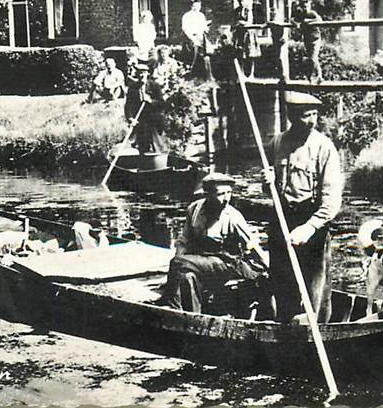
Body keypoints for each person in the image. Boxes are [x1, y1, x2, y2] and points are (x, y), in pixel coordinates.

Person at [262, 91, 343, 323]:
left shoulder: (324, 148)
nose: (312, 121)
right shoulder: (277, 142)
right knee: (282, 278)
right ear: (291, 116)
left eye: (315, 114)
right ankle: (286, 331)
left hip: (312, 221)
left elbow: (332, 200)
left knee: (315, 286)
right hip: (282, 219)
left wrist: (309, 228)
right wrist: (268, 183)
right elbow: (271, 191)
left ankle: (315, 331)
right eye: (306, 115)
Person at [158, 172, 269, 312]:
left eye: (229, 193)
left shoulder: (232, 216)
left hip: (227, 263)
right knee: (186, 276)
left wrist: (268, 266)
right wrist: (181, 262)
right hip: (201, 261)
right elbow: (184, 240)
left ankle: (171, 305)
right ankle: (193, 318)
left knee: (178, 263)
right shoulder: (194, 209)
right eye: (221, 194)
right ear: (207, 193)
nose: (226, 199)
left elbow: (252, 244)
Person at [124, 62, 168, 154]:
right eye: (139, 73)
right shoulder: (132, 88)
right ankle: (145, 164)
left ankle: (160, 163)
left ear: (147, 74)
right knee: (143, 147)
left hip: (154, 120)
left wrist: (151, 101)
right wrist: (131, 118)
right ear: (136, 74)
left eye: (143, 73)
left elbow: (162, 104)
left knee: (158, 147)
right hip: (140, 121)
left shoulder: (155, 86)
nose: (141, 75)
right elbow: (128, 106)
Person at [232, 0, 260, 77]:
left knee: (251, 54)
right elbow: (234, 22)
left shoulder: (249, 10)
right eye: (240, 0)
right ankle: (242, 72)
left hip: (249, 34)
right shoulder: (236, 10)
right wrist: (237, 24)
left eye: (243, 0)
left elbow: (249, 22)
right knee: (241, 53)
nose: (242, 2)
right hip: (240, 34)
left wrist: (241, 22)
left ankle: (252, 73)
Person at [294, 0, 323, 83]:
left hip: (315, 39)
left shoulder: (312, 13)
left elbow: (320, 20)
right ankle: (314, 77)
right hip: (307, 39)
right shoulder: (301, 14)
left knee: (313, 59)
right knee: (312, 59)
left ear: (309, 7)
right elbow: (292, 19)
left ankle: (316, 76)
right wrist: (296, 23)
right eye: (304, 7)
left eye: (307, 6)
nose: (305, 8)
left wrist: (307, 22)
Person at [180, 0, 210, 73]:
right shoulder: (187, 16)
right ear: (191, 6)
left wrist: (206, 28)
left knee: (204, 55)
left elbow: (203, 26)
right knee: (193, 53)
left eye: (198, 6)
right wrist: (192, 38)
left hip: (200, 37)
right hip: (190, 38)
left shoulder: (201, 15)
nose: (196, 8)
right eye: (195, 6)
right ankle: (189, 71)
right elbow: (185, 29)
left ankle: (201, 73)